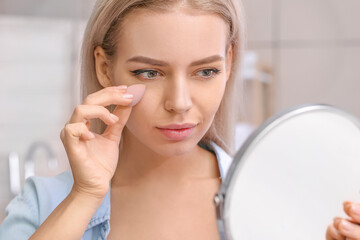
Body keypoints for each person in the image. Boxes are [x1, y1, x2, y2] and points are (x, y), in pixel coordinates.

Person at [0, 0, 245, 239]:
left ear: (229, 62)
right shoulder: (41, 206)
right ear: (105, 69)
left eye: (205, 71)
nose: (179, 103)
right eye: (150, 73)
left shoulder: (266, 193)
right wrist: (84, 196)